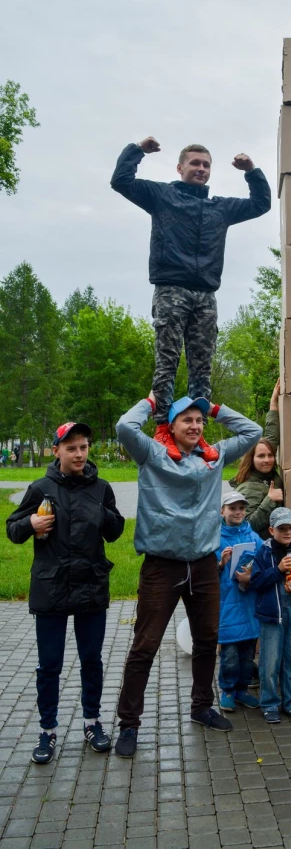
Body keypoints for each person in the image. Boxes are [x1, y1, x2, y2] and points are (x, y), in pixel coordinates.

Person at [113, 392, 262, 757]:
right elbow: (124, 426)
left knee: (207, 640)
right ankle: (129, 725)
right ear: (171, 425)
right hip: (162, 567)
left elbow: (252, 431)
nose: (195, 426)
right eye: (187, 420)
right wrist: (151, 401)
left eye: (200, 421)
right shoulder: (152, 453)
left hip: (204, 564)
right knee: (144, 646)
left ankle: (200, 708)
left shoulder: (213, 459)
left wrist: (215, 406)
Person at [110, 136, 271, 455]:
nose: (201, 168)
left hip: (205, 295)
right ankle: (162, 429)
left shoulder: (220, 208)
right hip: (171, 288)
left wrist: (251, 171)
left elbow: (260, 204)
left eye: (206, 165)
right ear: (180, 167)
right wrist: (138, 151)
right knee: (166, 360)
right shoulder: (161, 195)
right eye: (195, 163)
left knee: (202, 367)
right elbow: (121, 181)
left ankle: (199, 432)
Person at [6, 422, 124, 764]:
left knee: (92, 660)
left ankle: (92, 722)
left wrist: (102, 513)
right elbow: (13, 530)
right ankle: (47, 730)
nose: (78, 454)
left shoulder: (101, 488)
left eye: (83, 447)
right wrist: (31, 525)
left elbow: (115, 531)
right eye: (71, 448)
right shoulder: (40, 488)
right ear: (57, 450)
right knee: (50, 665)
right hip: (51, 587)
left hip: (90, 584)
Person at [250, 508, 291, 724]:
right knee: (269, 663)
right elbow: (256, 583)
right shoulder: (263, 553)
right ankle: (269, 703)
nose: (287, 532)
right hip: (271, 617)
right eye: (282, 529)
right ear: (272, 530)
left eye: (290, 528)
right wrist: (278, 570)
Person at [217, 491, 263, 713]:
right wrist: (221, 564)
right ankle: (227, 690)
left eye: (241, 508)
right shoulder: (215, 538)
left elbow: (265, 561)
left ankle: (242, 690)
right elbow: (206, 574)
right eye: (232, 508)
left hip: (250, 604)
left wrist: (253, 572)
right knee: (230, 655)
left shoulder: (253, 537)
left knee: (247, 655)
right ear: (222, 511)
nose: (237, 512)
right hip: (228, 606)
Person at [230, 380, 283, 538]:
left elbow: (272, 435)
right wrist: (269, 500)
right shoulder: (249, 488)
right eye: (261, 456)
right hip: (263, 549)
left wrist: (273, 403)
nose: (267, 459)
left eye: (270, 455)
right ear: (251, 459)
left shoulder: (266, 475)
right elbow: (245, 525)